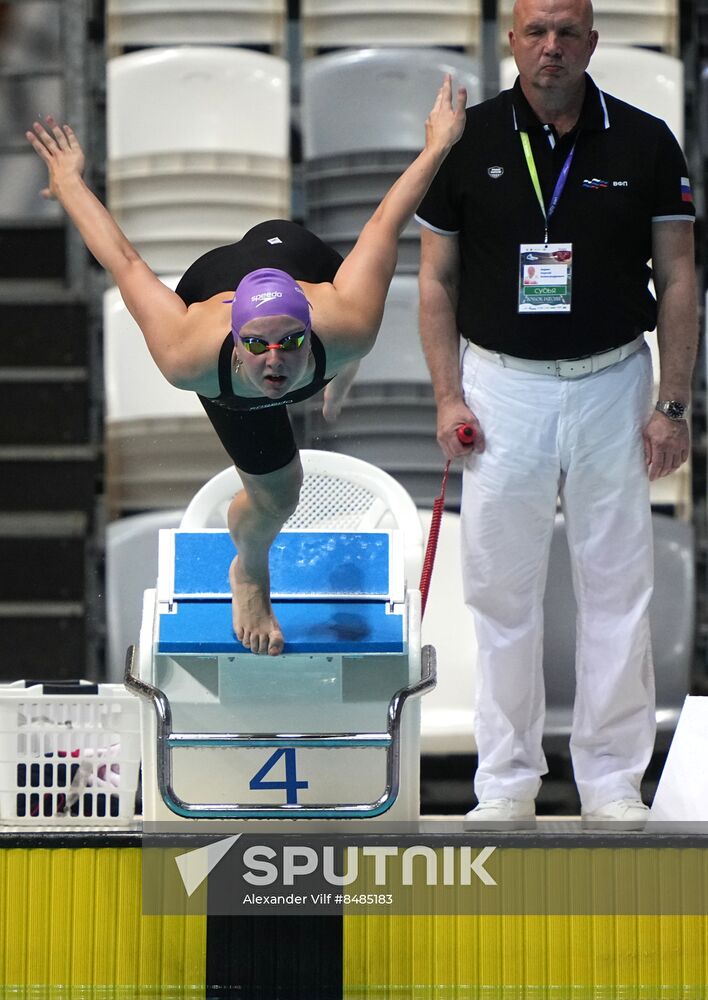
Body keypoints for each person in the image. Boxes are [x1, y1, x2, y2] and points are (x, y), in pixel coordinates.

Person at [27, 76, 466, 657]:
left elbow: (384, 223)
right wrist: (71, 183)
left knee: (355, 338)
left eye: (290, 342)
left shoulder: (346, 318)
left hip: (297, 256)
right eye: (258, 347)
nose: (276, 362)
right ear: (236, 344)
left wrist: (438, 144)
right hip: (215, 281)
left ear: (309, 326)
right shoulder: (189, 356)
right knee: (280, 496)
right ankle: (251, 573)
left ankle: (338, 372)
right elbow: (127, 263)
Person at [416, 0, 697, 828]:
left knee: (617, 589)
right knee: (501, 594)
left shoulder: (645, 141)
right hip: (501, 387)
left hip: (614, 381)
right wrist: (446, 395)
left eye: (567, 33)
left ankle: (612, 781)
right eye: (536, 31)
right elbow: (434, 281)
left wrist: (672, 403)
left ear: (592, 43)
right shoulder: (464, 141)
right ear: (511, 41)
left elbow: (680, 280)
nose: (551, 48)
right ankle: (505, 780)